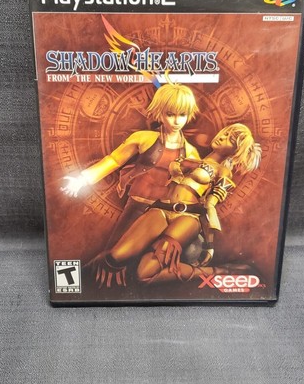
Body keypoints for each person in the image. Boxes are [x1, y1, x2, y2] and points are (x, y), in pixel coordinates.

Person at [88, 123, 262, 287]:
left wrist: (209, 246)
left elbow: (210, 207)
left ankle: (218, 272)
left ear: (236, 151)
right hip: (161, 208)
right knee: (115, 257)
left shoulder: (223, 171)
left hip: (188, 217)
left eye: (230, 139)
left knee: (144, 273)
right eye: (226, 133)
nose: (223, 137)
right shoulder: (192, 157)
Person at [62, 82, 201, 246]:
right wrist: (82, 180)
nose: (177, 121)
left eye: (182, 114)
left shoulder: (190, 152)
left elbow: (193, 191)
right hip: (137, 204)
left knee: (147, 257)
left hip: (163, 212)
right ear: (160, 112)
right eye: (170, 114)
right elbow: (114, 160)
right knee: (114, 249)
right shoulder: (143, 138)